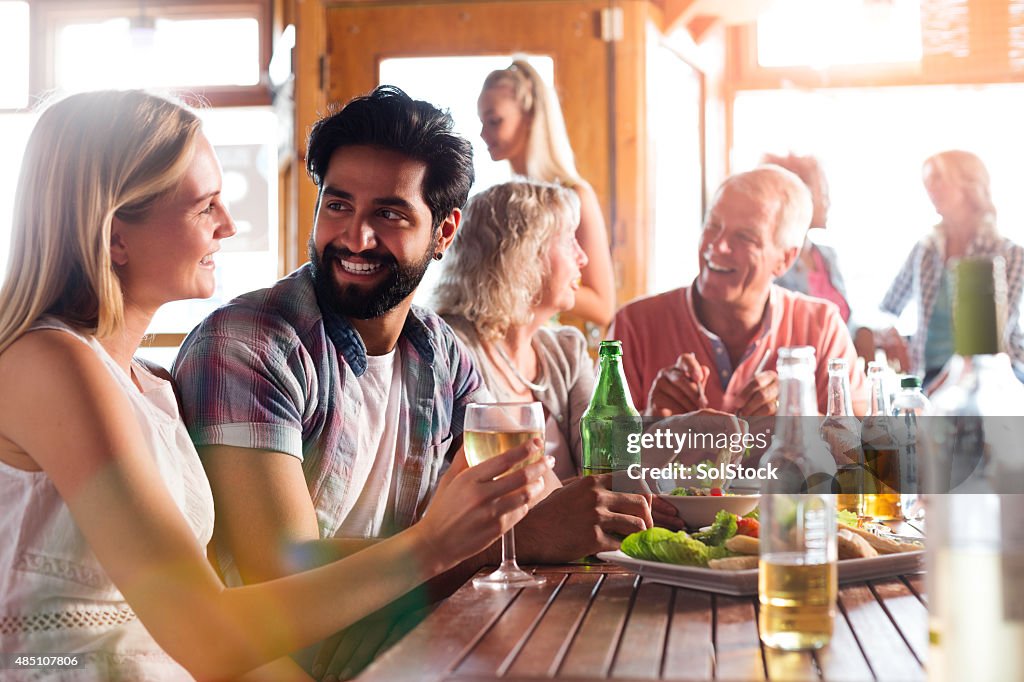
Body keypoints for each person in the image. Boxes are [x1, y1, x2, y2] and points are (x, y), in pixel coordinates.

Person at [0, 90, 548, 681]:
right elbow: (204, 638)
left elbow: (213, 649)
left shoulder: (149, 389)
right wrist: (432, 546)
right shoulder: (50, 363)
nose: (229, 225)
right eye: (205, 205)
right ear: (115, 237)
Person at [172, 86, 654, 679]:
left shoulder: (437, 350)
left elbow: (527, 498)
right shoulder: (247, 344)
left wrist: (393, 603)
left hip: (397, 649)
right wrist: (501, 544)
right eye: (338, 205)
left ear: (444, 231)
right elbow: (285, 576)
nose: (355, 237)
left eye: (389, 214)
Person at [609, 165, 868, 418]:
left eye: (745, 237)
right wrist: (650, 421)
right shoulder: (634, 326)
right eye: (712, 225)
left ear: (785, 260)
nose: (718, 246)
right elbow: (597, 455)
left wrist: (797, 419)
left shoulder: (822, 328)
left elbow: (860, 448)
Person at [434, 180, 590, 478]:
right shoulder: (450, 348)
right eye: (570, 240)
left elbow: (605, 463)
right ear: (526, 254)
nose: (583, 258)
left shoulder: (567, 350)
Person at [856, 150, 1024, 384]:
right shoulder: (925, 249)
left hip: (994, 376)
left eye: (937, 178)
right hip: (930, 376)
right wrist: (887, 333)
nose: (929, 188)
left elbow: (990, 340)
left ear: (967, 183)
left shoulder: (1009, 254)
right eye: (926, 181)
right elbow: (887, 307)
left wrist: (943, 388)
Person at [478, 60, 615, 328]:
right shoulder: (503, 202)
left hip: (557, 348)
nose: (483, 134)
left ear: (530, 117)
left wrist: (519, 279)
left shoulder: (574, 196)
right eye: (482, 122)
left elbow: (603, 306)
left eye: (494, 121)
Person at [763, 153, 851, 324]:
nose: (829, 202)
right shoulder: (772, 264)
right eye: (823, 194)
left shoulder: (828, 256)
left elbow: (846, 324)